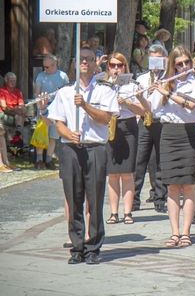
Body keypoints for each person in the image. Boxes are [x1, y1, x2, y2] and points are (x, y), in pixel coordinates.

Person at [47, 47, 119, 264]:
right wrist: (68, 133)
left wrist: (85, 105)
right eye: (81, 60)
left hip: (95, 148)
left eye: (89, 59)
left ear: (96, 63)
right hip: (71, 148)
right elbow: (57, 121)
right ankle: (77, 247)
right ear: (76, 64)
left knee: (94, 199)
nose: (85, 63)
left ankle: (93, 247)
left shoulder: (104, 91)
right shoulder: (65, 92)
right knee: (73, 197)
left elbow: (106, 118)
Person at [151, 46, 195, 248]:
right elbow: (153, 109)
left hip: (189, 133)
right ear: (172, 65)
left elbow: (192, 105)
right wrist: (156, 91)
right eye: (179, 63)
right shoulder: (167, 82)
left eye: (187, 63)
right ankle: (174, 232)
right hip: (169, 134)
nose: (183, 66)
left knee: (189, 185)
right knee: (172, 186)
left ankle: (186, 232)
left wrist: (169, 93)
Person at [104, 52, 148, 226]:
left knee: (128, 174)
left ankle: (128, 212)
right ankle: (114, 212)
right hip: (110, 126)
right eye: (113, 65)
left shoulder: (132, 85)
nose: (116, 69)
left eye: (119, 65)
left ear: (125, 67)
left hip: (128, 126)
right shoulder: (104, 85)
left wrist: (127, 103)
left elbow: (143, 111)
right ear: (108, 67)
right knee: (113, 174)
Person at [133, 44, 169, 213]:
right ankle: (133, 199)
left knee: (160, 161)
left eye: (158, 58)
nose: (155, 63)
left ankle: (160, 198)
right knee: (140, 159)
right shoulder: (141, 78)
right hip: (145, 120)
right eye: (152, 58)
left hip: (162, 121)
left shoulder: (169, 79)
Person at [34, 54, 70, 170]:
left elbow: (67, 92)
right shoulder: (40, 76)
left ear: (54, 65)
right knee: (41, 133)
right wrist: (41, 102)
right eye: (44, 67)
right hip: (44, 107)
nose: (45, 69)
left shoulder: (63, 76)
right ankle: (39, 160)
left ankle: (49, 159)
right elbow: (37, 93)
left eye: (48, 67)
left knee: (53, 136)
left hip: (57, 109)